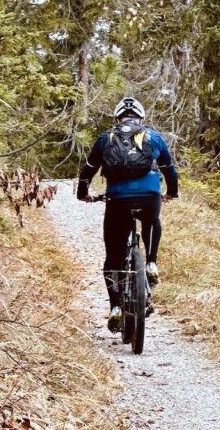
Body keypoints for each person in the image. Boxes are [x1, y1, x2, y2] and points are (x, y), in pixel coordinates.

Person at [77, 96, 178, 332]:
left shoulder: (106, 138)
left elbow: (88, 170)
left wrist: (84, 194)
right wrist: (171, 192)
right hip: (149, 196)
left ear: (117, 118)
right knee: (152, 220)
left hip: (117, 199)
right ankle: (151, 262)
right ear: (141, 118)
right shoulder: (153, 136)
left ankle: (115, 308)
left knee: (112, 256)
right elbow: (169, 169)